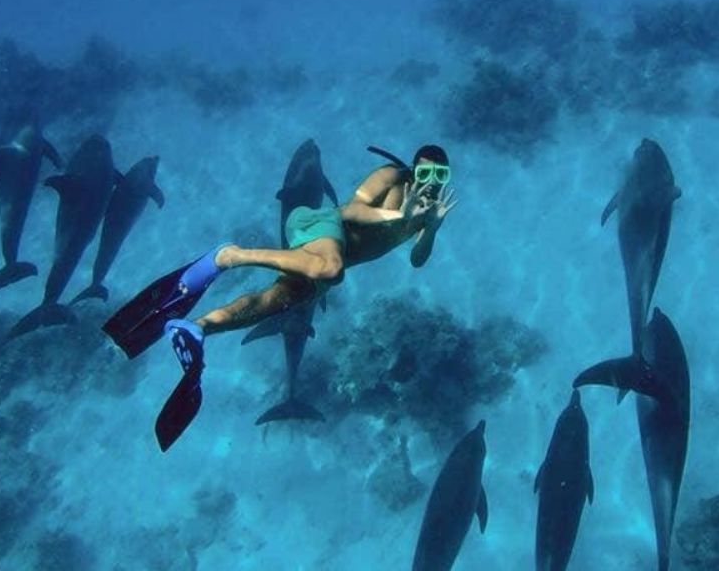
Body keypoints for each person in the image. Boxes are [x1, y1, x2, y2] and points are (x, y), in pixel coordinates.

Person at [101, 144, 456, 449]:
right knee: (332, 270)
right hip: (318, 225)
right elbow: (350, 209)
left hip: (320, 258)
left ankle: (198, 327)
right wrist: (397, 213)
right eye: (424, 172)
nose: (431, 181)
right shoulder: (391, 177)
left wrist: (433, 228)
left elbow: (417, 259)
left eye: (440, 175)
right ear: (413, 169)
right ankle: (231, 256)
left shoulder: (429, 212)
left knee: (273, 301)